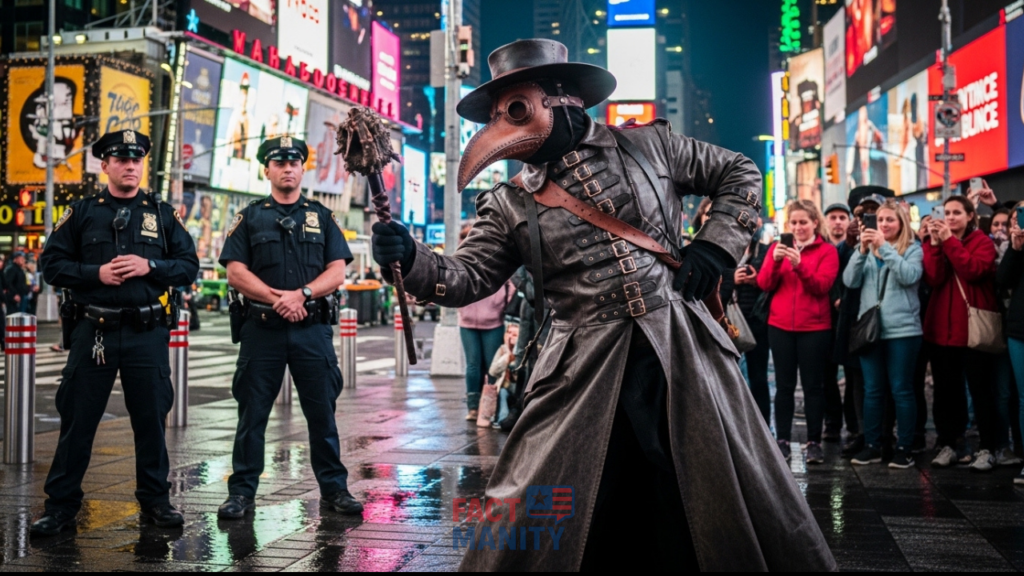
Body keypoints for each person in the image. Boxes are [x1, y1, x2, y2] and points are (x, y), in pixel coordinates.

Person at [370, 39, 834, 571]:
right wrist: (411, 257)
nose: (502, 124)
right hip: (580, 366)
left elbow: (740, 172)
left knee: (705, 484)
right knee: (550, 495)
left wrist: (715, 246)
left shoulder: (650, 146)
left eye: (514, 108)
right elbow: (467, 276)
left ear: (560, 97)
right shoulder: (509, 202)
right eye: (496, 114)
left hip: (680, 349)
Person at [32, 129, 199, 535]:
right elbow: (51, 265)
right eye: (121, 159)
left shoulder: (161, 214)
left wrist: (150, 266)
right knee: (78, 421)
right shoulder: (83, 212)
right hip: (95, 331)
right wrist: (96, 273)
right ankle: (60, 506)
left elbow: (188, 266)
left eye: (136, 159)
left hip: (147, 331)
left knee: (151, 421)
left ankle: (156, 501)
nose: (130, 166)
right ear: (105, 165)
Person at [217, 136, 363, 519]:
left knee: (322, 416)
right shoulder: (249, 218)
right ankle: (241, 493)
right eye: (279, 163)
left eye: (293, 162)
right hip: (261, 330)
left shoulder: (322, 216)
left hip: (311, 331)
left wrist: (302, 294)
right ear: (266, 170)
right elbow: (235, 272)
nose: (287, 168)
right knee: (252, 417)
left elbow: (337, 271)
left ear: (302, 169)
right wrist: (277, 298)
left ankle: (334, 490)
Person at [757, 200, 840, 465]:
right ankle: (782, 440)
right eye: (793, 222)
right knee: (784, 386)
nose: (798, 227)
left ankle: (813, 442)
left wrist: (799, 265)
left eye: (803, 222)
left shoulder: (827, 251)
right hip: (780, 326)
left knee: (813, 386)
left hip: (814, 328)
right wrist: (775, 261)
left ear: (815, 222)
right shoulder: (776, 248)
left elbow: (822, 286)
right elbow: (764, 283)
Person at [923, 196, 1001, 471]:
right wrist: (934, 245)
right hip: (941, 331)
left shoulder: (982, 242)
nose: (951, 217)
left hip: (972, 331)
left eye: (957, 212)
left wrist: (949, 242)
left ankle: (987, 447)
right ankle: (950, 444)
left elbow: (973, 271)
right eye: (947, 212)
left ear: (970, 216)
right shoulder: (938, 241)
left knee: (981, 391)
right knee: (946, 392)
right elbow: (933, 278)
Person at [844, 200, 923, 469]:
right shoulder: (865, 250)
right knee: (873, 390)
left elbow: (909, 276)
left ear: (901, 223)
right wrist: (862, 251)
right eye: (880, 220)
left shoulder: (912, 249)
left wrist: (885, 248)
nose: (884, 224)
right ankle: (873, 445)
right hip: (870, 332)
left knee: (901, 389)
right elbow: (849, 281)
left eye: (890, 219)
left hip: (904, 331)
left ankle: (904, 448)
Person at [458, 224, 514, 421]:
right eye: (465, 236)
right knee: (473, 366)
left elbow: (510, 284)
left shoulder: (495, 256)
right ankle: (473, 408)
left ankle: (489, 409)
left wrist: (499, 305)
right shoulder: (460, 258)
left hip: (493, 321)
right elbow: (453, 283)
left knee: (492, 367)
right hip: (467, 322)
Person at [732, 219, 770, 423]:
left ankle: (762, 424)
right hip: (729, 318)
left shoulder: (764, 250)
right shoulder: (726, 248)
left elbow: (771, 281)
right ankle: (737, 423)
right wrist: (732, 279)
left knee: (758, 377)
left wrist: (758, 280)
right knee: (730, 376)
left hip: (757, 319)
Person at [822, 203, 853, 441]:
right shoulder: (821, 246)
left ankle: (853, 425)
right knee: (826, 375)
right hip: (824, 318)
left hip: (849, 318)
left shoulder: (854, 247)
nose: (838, 222)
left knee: (853, 375)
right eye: (833, 217)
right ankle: (832, 423)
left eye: (842, 217)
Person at [999, 203, 1024, 485]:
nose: (1019, 223)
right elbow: (1003, 281)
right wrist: (1016, 250)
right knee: (1023, 398)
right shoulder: (1016, 247)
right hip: (1019, 329)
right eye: (1015, 219)